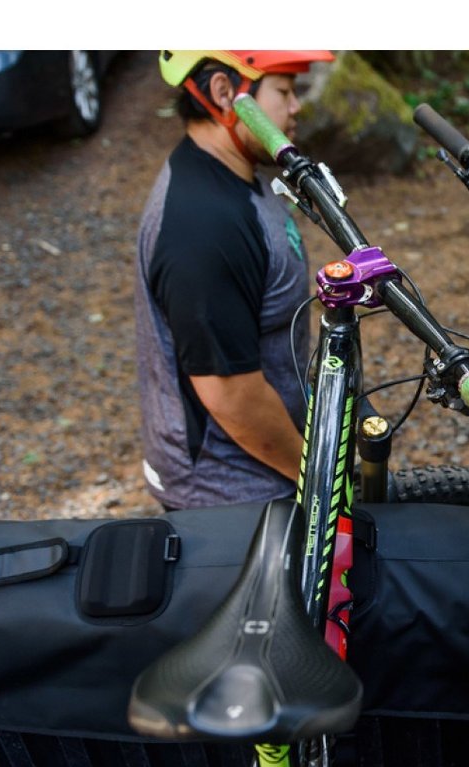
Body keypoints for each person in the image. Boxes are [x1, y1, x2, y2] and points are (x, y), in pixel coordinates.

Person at [134, 50, 334, 508]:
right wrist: (317, 478)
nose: (295, 107)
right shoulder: (203, 225)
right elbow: (232, 395)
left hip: (260, 473)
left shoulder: (237, 171)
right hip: (232, 497)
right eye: (283, 91)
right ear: (226, 93)